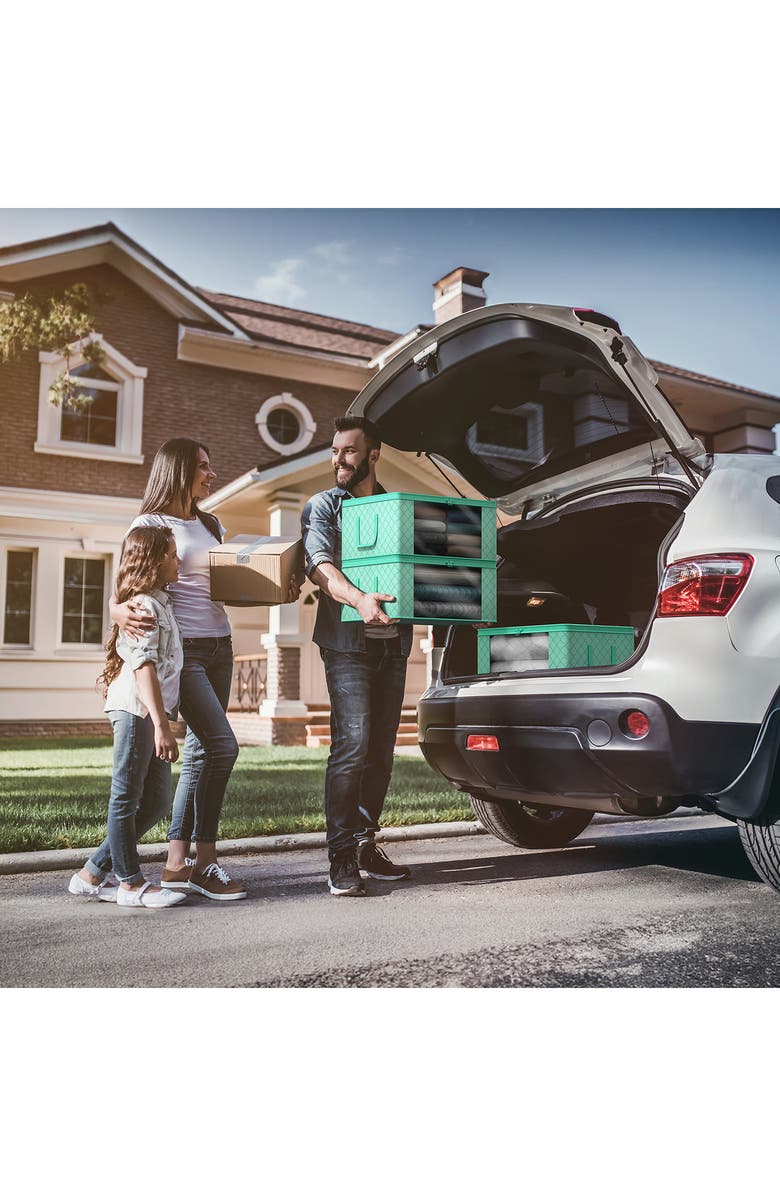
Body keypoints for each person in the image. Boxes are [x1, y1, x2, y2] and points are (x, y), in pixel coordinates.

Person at [110, 438, 251, 900]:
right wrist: (115, 612)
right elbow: (125, 587)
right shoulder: (148, 523)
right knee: (222, 746)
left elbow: (221, 584)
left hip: (220, 645)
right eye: (204, 467)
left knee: (201, 753)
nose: (212, 474)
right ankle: (203, 861)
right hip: (183, 650)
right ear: (179, 470)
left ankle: (177, 863)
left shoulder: (210, 524)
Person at [301, 415, 413, 896]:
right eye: (334, 451)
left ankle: (366, 843)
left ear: (373, 455)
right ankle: (341, 856)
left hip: (394, 648)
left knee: (381, 754)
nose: (338, 460)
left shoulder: (396, 508)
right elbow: (320, 565)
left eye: (348, 451)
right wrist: (359, 598)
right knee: (352, 747)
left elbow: (420, 567)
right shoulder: (324, 506)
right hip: (347, 647)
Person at [68, 525, 187, 909]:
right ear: (154, 562)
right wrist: (161, 724)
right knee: (126, 797)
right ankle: (130, 883)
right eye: (172, 554)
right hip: (136, 709)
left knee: (155, 802)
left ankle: (91, 873)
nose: (179, 560)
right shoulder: (143, 607)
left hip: (149, 711)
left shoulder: (160, 601)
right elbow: (143, 667)